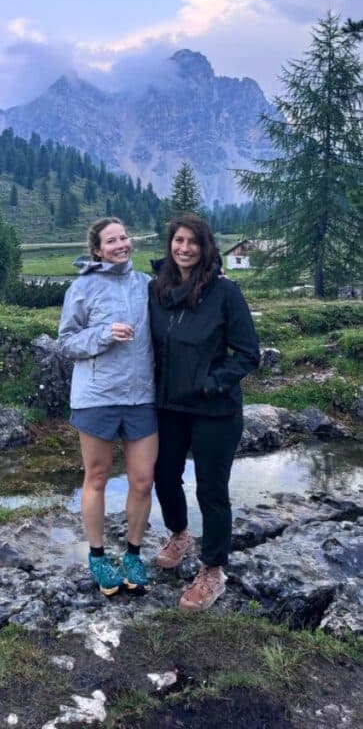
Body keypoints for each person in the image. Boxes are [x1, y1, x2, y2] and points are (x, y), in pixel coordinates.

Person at [149, 214, 259, 611]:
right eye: (178, 240)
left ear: (206, 246)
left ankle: (213, 570)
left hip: (215, 410)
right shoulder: (156, 290)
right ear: (170, 244)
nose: (185, 248)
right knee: (163, 475)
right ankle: (180, 534)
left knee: (211, 489)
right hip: (169, 405)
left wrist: (211, 383)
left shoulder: (226, 293)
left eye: (193, 242)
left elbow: (249, 354)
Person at [58, 217, 157, 596]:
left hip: (141, 396)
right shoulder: (82, 288)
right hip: (97, 398)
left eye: (124, 237)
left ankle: (133, 553)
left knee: (143, 480)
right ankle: (98, 556)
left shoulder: (146, 285)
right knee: (97, 477)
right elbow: (66, 343)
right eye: (111, 240)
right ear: (97, 250)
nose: (121, 244)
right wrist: (102, 335)